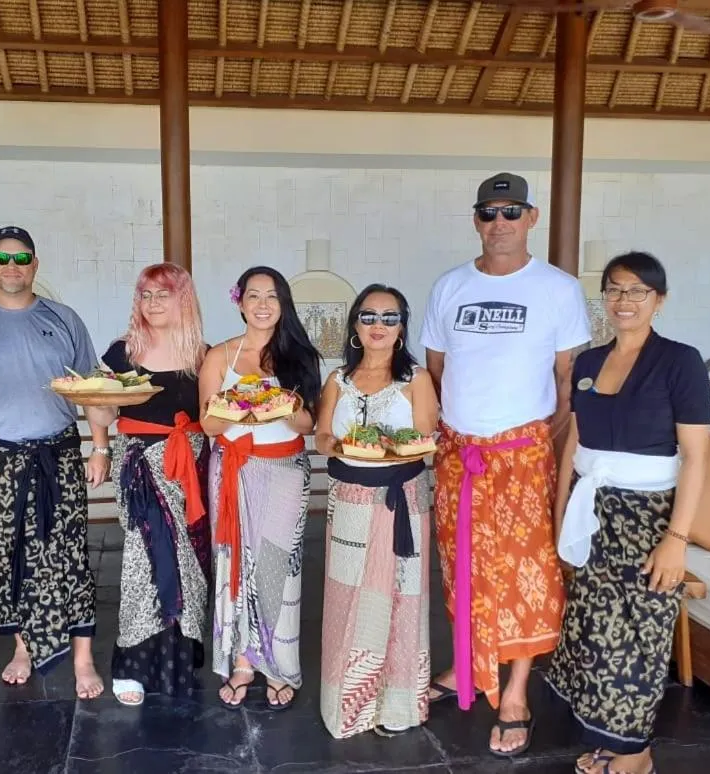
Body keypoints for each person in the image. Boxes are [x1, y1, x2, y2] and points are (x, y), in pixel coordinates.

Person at [420, 172, 592, 757]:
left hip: (522, 456)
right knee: (460, 564)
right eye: (490, 213)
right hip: (459, 454)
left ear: (532, 217)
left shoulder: (558, 289)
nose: (500, 223)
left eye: (511, 212)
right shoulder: (449, 286)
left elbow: (568, 380)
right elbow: (436, 370)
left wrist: (542, 441)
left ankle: (515, 690)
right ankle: (465, 662)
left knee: (525, 572)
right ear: (476, 220)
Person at [546, 252, 710, 774]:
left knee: (640, 636)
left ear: (658, 301)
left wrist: (677, 539)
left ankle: (636, 753)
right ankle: (610, 743)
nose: (624, 300)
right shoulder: (589, 363)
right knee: (595, 631)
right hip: (594, 512)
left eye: (638, 291)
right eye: (615, 289)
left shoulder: (680, 361)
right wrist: (560, 518)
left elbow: (697, 457)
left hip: (650, 518)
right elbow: (574, 440)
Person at [0, 226, 114, 699]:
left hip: (57, 452)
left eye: (22, 259)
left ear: (35, 265)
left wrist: (98, 447)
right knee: (7, 557)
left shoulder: (63, 319)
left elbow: (92, 387)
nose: (12, 267)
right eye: (2, 258)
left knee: (70, 555)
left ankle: (82, 657)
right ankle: (23, 646)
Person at [315, 284, 439, 739]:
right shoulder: (337, 380)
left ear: (402, 327)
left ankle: (398, 704)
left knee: (403, 598)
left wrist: (390, 448)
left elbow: (427, 439)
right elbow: (322, 437)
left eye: (389, 318)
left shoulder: (417, 380)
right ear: (354, 325)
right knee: (349, 596)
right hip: (349, 498)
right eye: (369, 317)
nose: (378, 326)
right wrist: (343, 445)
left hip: (400, 497)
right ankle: (348, 704)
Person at [86, 263, 212, 707]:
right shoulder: (123, 351)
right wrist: (99, 442)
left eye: (163, 294)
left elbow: (218, 413)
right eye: (146, 294)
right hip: (139, 464)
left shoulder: (204, 355)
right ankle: (132, 664)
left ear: (184, 299)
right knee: (144, 558)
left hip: (192, 468)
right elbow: (99, 406)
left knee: (189, 564)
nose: (153, 303)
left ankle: (180, 657)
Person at [199, 266, 321, 711]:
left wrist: (282, 407)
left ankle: (279, 663)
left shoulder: (299, 356)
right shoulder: (220, 356)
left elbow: (309, 423)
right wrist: (243, 408)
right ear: (240, 302)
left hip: (286, 468)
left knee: (278, 567)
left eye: (272, 296)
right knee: (234, 564)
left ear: (283, 302)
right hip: (234, 469)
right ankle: (244, 661)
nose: (263, 304)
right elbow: (209, 423)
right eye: (254, 295)